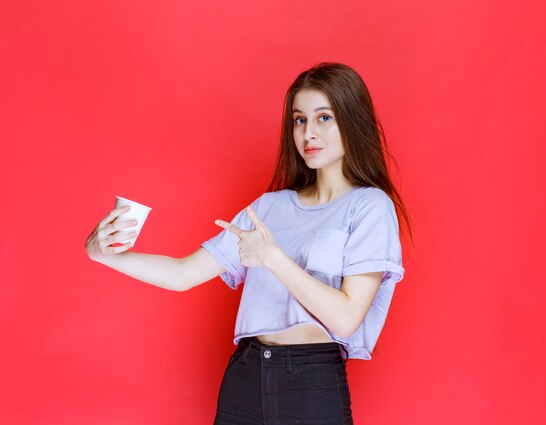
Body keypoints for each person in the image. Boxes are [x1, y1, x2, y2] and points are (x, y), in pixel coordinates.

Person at [85, 62, 410, 425]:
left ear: (351, 120)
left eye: (324, 118)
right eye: (299, 120)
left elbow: (346, 318)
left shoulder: (370, 207)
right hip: (246, 376)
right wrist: (107, 256)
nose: (308, 134)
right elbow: (182, 273)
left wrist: (272, 257)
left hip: (311, 381)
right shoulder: (268, 207)